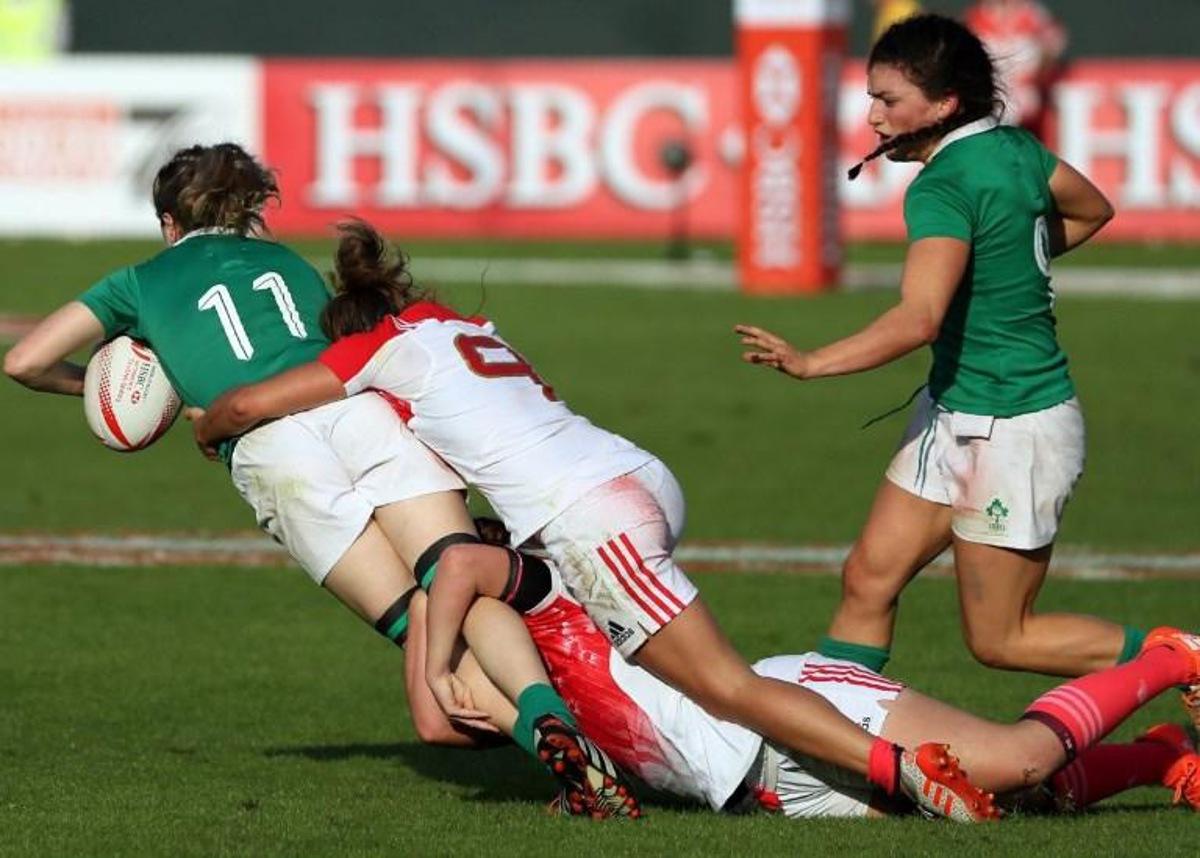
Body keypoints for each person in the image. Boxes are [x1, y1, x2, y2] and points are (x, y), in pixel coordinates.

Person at [192, 222, 998, 823]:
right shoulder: (460, 325)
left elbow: (247, 405)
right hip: (630, 476)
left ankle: (901, 769)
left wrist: (206, 427)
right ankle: (613, 757)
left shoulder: (370, 352)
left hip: (587, 514)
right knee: (599, 634)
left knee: (725, 686)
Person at [1, 142, 639, 818]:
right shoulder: (284, 262)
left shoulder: (137, 281)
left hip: (272, 452)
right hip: (356, 412)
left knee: (413, 621)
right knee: (456, 576)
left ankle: (559, 763)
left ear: (167, 223)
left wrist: (124, 394)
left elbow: (24, 361)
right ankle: (551, 717)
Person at [734, 14, 1200, 728]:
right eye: (871, 96)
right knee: (869, 578)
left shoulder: (943, 185)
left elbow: (917, 318)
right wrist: (1007, 262)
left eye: (889, 99)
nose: (872, 114)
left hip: (1014, 426)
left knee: (1002, 638)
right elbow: (1093, 208)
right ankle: (837, 745)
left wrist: (811, 362)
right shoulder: (1015, 150)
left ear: (945, 104)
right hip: (953, 407)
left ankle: (1185, 658)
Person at [426, 522, 1200, 818]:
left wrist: (428, 649)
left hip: (787, 708)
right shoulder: (515, 667)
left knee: (1015, 759)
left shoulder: (551, 588)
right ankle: (1163, 756)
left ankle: (1170, 657)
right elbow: (445, 724)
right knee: (1020, 798)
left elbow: (460, 562)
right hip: (755, 784)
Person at [963, 0, 1067, 139]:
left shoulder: (1033, 14)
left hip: (1026, 97)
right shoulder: (977, 15)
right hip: (992, 95)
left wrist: (1038, 74)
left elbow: (1054, 44)